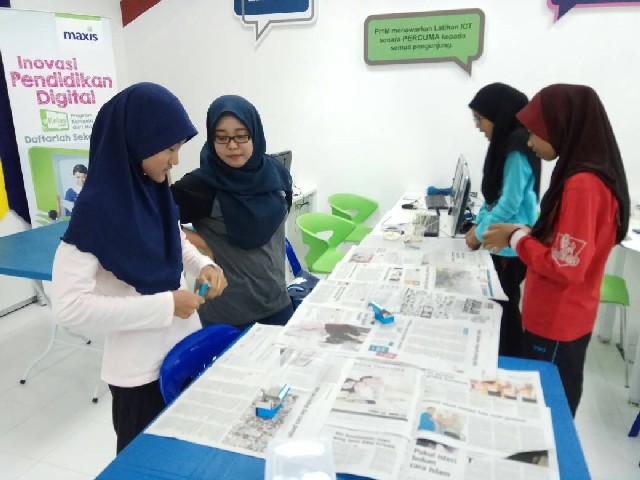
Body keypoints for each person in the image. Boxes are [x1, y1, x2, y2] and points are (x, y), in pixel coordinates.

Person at [51, 82, 228, 453]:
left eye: (179, 149)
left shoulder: (152, 189)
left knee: (187, 457)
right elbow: (69, 307)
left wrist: (203, 264)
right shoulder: (95, 212)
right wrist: (165, 305)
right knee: (146, 465)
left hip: (185, 347)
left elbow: (175, 241)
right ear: (137, 141)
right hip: (139, 374)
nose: (175, 160)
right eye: (169, 149)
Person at [482, 84, 630, 416]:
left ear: (562, 126)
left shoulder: (582, 185)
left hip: (557, 320)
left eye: (535, 133)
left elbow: (566, 266)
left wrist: (516, 239)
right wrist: (527, 233)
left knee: (546, 412)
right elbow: (568, 242)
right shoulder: (588, 176)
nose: (530, 141)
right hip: (566, 315)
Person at [171, 95, 293, 330]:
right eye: (222, 137)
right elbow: (153, 219)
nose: (232, 145)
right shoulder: (200, 186)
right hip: (227, 315)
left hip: (277, 302)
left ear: (254, 134)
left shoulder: (276, 172)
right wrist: (200, 242)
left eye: (241, 135)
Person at [466, 83, 541, 357]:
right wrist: (478, 224)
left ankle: (509, 358)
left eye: (480, 119)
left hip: (511, 244)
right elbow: (493, 197)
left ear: (498, 115)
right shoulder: (506, 143)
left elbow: (509, 203)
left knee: (504, 304)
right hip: (502, 238)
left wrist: (480, 233)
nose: (478, 127)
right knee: (498, 301)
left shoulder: (517, 147)